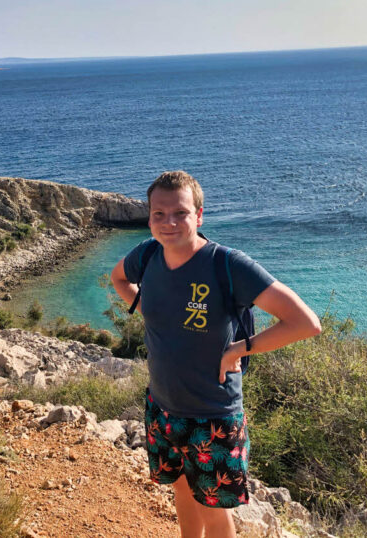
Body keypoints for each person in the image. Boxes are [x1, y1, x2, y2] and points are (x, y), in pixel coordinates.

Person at [110, 171, 321, 538]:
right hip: (162, 406)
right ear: (149, 218)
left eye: (180, 212)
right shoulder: (147, 254)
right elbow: (118, 279)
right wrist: (151, 314)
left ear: (200, 215)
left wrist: (241, 348)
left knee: (215, 509)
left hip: (213, 415)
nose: (169, 222)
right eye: (159, 214)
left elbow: (305, 322)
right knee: (181, 490)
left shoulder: (228, 265)